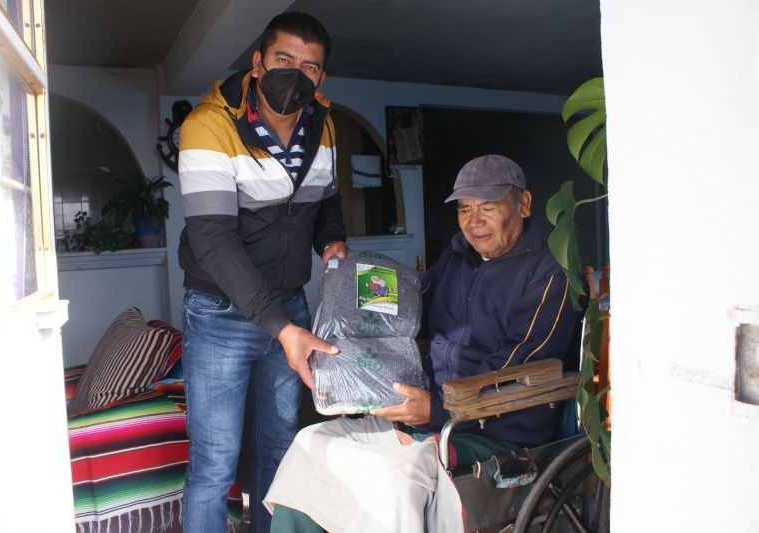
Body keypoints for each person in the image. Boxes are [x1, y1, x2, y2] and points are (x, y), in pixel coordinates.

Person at [264, 154, 581, 532]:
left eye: (489, 206)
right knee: (311, 446)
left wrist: (435, 410)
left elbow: (516, 370)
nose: (474, 221)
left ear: (523, 204)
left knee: (390, 479)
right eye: (465, 208)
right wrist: (346, 292)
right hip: (427, 415)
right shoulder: (456, 257)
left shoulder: (548, 274)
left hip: (494, 433)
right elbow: (404, 310)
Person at [176, 11, 348, 533]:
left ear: (321, 77)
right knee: (215, 463)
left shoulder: (325, 122)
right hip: (220, 315)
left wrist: (331, 242)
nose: (296, 73)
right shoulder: (209, 125)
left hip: (289, 307)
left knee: (280, 447)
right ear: (257, 62)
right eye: (283, 59)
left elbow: (328, 201)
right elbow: (213, 241)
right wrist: (285, 328)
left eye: (311, 67)